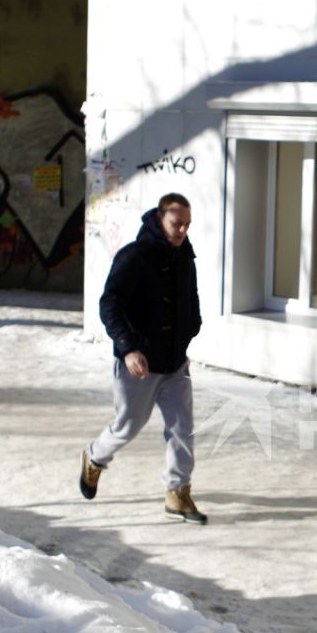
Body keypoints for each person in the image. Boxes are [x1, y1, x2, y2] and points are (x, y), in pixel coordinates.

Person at [80, 191, 207, 523]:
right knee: (127, 427)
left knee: (183, 428)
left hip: (175, 362)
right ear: (160, 219)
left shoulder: (184, 256)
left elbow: (190, 299)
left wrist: (191, 327)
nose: (182, 230)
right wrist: (128, 348)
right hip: (139, 364)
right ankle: (94, 457)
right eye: (176, 223)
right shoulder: (134, 257)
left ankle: (178, 493)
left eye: (187, 225)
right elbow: (110, 305)